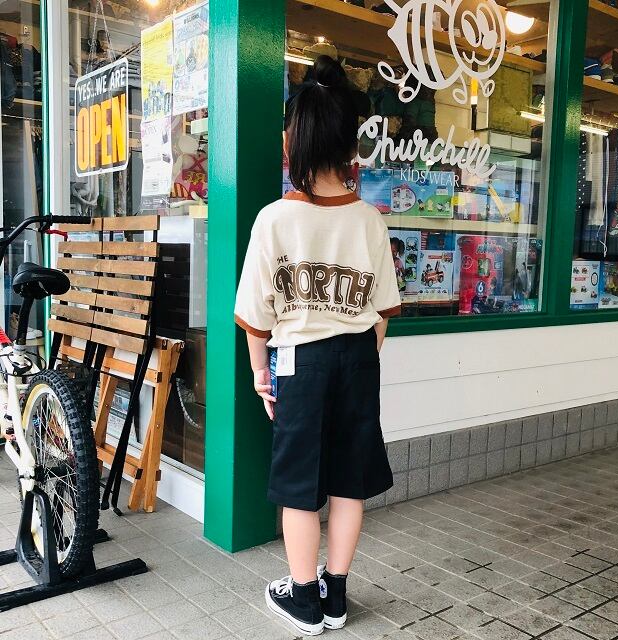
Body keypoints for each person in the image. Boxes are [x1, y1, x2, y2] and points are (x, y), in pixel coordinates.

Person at [234, 55, 401, 636]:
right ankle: (336, 595)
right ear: (349, 147)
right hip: (357, 357)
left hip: (299, 362)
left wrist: (261, 375)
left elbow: (255, 317)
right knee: (348, 480)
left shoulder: (274, 219)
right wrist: (358, 359)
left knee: (299, 485)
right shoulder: (370, 220)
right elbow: (383, 313)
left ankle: (303, 599)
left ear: (294, 145)